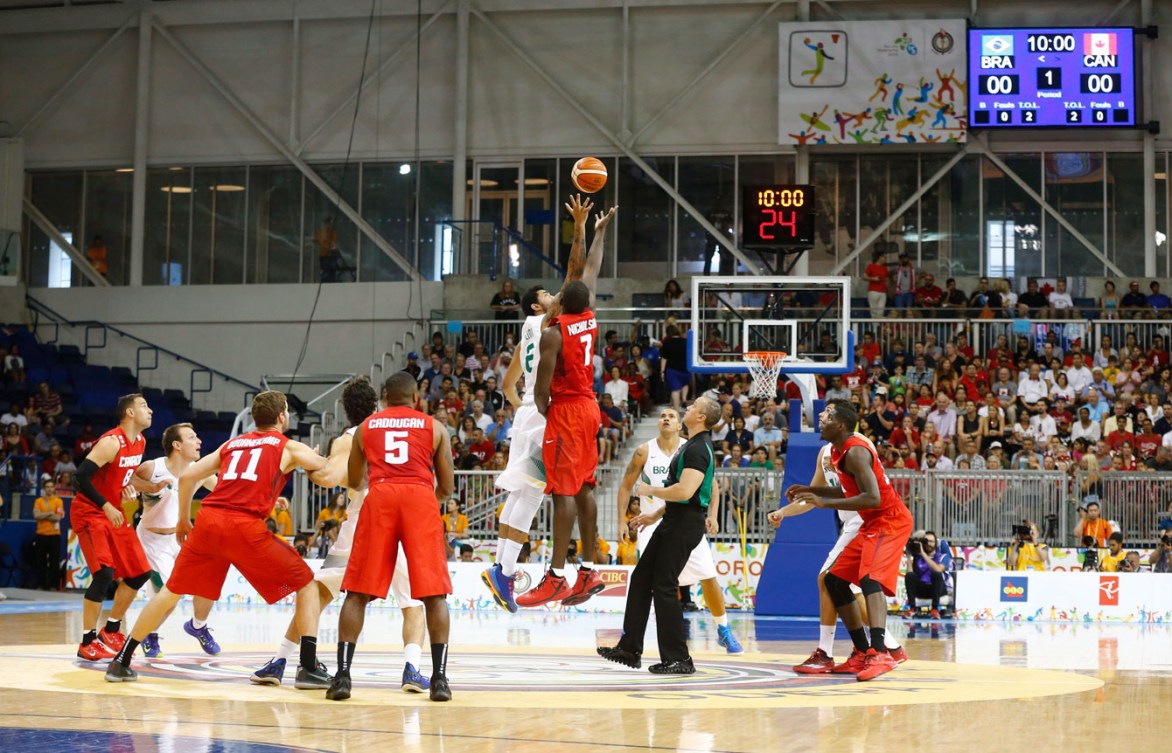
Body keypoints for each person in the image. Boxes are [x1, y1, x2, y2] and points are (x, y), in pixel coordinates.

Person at [103, 391, 332, 687]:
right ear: (282, 417)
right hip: (244, 526)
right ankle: (309, 666)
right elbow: (326, 470)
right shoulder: (288, 446)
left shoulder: (232, 444)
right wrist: (316, 456)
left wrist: (184, 519)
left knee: (168, 594)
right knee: (307, 585)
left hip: (209, 523)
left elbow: (187, 478)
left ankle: (121, 661)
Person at [252, 377, 431, 694]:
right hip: (403, 521)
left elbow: (328, 477)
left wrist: (309, 463)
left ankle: (281, 660)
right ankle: (412, 669)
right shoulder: (401, 429)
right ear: (377, 404)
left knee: (319, 595)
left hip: (363, 520)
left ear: (347, 412)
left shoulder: (351, 437)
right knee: (412, 603)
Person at [483, 195, 616, 611]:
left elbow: (509, 383)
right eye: (546, 293)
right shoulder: (551, 324)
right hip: (552, 412)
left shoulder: (534, 329)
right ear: (541, 306)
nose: (553, 292)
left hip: (530, 411)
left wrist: (522, 408)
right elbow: (581, 271)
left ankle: (503, 571)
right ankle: (536, 574)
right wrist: (583, 229)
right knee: (544, 494)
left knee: (525, 493)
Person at [325, 372, 454, 702]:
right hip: (420, 499)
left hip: (379, 498)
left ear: (383, 398)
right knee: (433, 595)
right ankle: (439, 680)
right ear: (415, 398)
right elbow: (448, 487)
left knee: (357, 592)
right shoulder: (435, 427)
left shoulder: (366, 428)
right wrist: (425, 498)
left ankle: (342, 677)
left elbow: (355, 481)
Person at [785, 400, 914, 682]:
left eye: (827, 415)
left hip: (890, 521)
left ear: (840, 425)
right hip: (872, 522)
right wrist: (809, 489)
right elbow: (845, 489)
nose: (821, 417)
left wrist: (822, 502)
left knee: (869, 580)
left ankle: (881, 653)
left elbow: (873, 498)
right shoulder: (835, 450)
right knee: (834, 580)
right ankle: (861, 651)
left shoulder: (855, 451)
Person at [598, 397, 721, 675]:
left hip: (684, 524)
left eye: (692, 408)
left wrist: (650, 491)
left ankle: (679, 658)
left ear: (700, 417)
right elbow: (682, 494)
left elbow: (686, 493)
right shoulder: (691, 446)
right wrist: (655, 515)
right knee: (641, 578)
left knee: (664, 586)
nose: (687, 408)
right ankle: (629, 648)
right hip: (673, 519)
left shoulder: (698, 449)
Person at [615, 407, 742, 654]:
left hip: (682, 522)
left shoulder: (690, 448)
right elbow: (624, 488)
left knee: (708, 576)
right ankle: (631, 637)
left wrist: (714, 515)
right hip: (652, 525)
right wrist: (622, 520)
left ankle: (723, 629)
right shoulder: (644, 451)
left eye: (672, 415)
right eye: (662, 415)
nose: (666, 418)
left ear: (679, 424)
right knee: (647, 581)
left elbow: (711, 487)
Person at [518, 278, 606, 607]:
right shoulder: (590, 319)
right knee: (584, 487)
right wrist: (593, 233)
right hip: (589, 407)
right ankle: (588, 569)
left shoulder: (552, 334)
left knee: (562, 492)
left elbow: (541, 393)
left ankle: (555, 577)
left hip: (567, 411)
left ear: (562, 304)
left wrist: (548, 413)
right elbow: (591, 272)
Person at [71, 394, 168, 661]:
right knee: (104, 575)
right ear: (129, 413)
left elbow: (121, 478)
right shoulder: (112, 442)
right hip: (91, 512)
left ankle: (111, 630)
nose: (150, 410)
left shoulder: (140, 442)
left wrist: (137, 488)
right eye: (144, 406)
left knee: (139, 573)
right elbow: (79, 477)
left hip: (113, 511)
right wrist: (105, 504)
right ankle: (87, 641)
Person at [131, 423, 220, 658]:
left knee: (208, 578)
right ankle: (149, 635)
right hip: (152, 541)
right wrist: (135, 489)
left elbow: (227, 490)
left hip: (180, 539)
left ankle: (198, 626)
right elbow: (126, 478)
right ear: (177, 445)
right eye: (192, 437)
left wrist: (272, 501)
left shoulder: (198, 471)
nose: (199, 441)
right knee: (169, 596)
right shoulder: (153, 467)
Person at [902, 531, 948, 617]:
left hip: (937, 589)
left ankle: (934, 609)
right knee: (909, 575)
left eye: (931, 541)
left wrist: (923, 554)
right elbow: (910, 574)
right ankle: (913, 609)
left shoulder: (943, 556)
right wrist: (908, 557)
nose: (929, 544)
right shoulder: (918, 557)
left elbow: (938, 569)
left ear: (936, 543)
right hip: (922, 589)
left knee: (936, 574)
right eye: (927, 541)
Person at [33, 479, 64, 590]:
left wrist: (44, 515)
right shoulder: (38, 501)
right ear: (44, 488)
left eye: (51, 487)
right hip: (41, 534)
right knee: (40, 561)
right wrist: (50, 513)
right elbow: (36, 516)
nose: (49, 489)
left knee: (54, 561)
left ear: (54, 488)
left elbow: (58, 517)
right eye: (47, 487)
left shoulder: (58, 501)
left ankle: (53, 585)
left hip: (54, 535)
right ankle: (41, 585)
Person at [315, 217, 340, 282]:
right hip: (324, 256)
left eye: (331, 224)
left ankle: (331, 280)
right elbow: (318, 240)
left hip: (331, 256)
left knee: (331, 272)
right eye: (329, 223)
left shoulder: (332, 232)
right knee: (326, 272)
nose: (330, 225)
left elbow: (334, 244)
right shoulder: (322, 232)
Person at [864, 251, 888, 319]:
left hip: (883, 292)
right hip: (873, 291)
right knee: (874, 311)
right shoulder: (871, 266)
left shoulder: (885, 268)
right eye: (884, 257)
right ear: (880, 258)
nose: (885, 259)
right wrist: (873, 278)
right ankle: (875, 327)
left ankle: (879, 327)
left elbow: (886, 279)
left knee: (881, 311)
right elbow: (864, 276)